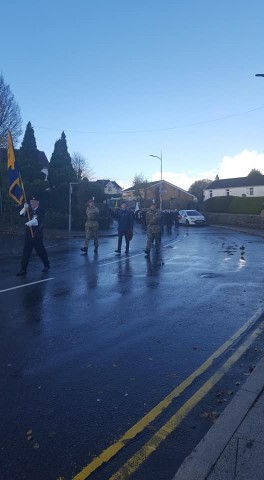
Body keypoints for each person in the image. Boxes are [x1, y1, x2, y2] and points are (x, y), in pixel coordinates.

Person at [16, 196, 50, 276]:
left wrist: (30, 223)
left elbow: (37, 221)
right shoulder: (29, 210)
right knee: (26, 253)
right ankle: (23, 269)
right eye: (31, 202)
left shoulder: (41, 210)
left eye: (34, 202)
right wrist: (24, 208)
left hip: (36, 235)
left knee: (41, 251)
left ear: (37, 202)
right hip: (28, 235)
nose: (32, 203)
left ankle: (46, 265)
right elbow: (21, 215)